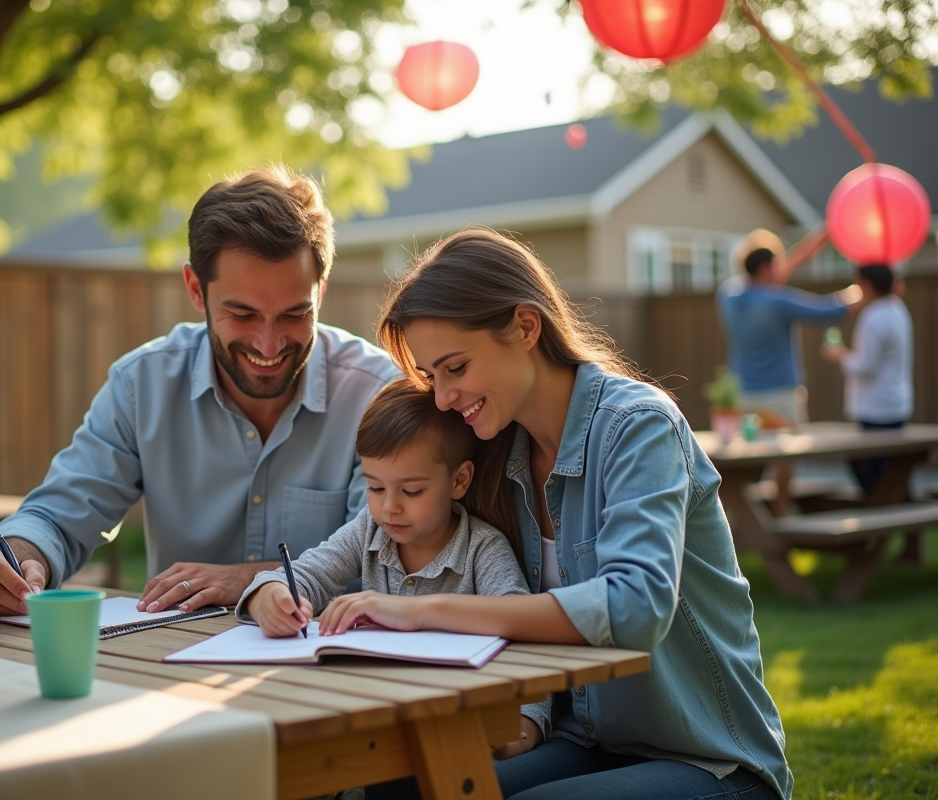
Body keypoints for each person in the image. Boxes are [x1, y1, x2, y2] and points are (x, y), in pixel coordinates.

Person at [330, 229, 791, 800]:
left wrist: (425, 612)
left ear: (526, 327)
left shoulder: (637, 426)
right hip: (583, 740)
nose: (442, 398)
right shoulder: (497, 451)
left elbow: (637, 603)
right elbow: (385, 531)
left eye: (455, 368)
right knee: (402, 785)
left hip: (708, 757)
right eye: (432, 377)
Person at [0, 166, 399, 619]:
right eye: (242, 315)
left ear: (320, 292)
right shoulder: (141, 386)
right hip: (166, 664)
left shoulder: (376, 395)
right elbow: (58, 515)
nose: (269, 343)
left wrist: (243, 579)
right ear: (195, 289)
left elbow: (386, 560)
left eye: (294, 314)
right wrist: (17, 560)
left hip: (334, 669)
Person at [236, 378, 531, 639]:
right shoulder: (369, 530)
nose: (389, 507)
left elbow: (519, 623)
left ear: (459, 480)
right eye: (375, 488)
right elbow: (306, 574)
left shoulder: (482, 548)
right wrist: (271, 599)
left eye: (412, 491)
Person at [716, 227, 862, 515]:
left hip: (744, 395)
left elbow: (767, 277)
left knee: (746, 461)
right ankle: (780, 511)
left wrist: (822, 238)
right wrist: (868, 289)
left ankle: (745, 519)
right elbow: (830, 310)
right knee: (787, 459)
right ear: (766, 268)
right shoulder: (778, 302)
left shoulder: (727, 296)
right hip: (781, 395)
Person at [821, 263, 917, 559]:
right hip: (897, 402)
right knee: (897, 471)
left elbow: (865, 365)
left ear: (868, 284)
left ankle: (883, 532)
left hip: (875, 407)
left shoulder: (874, 317)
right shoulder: (898, 309)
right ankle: (907, 540)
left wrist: (839, 357)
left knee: (871, 469)